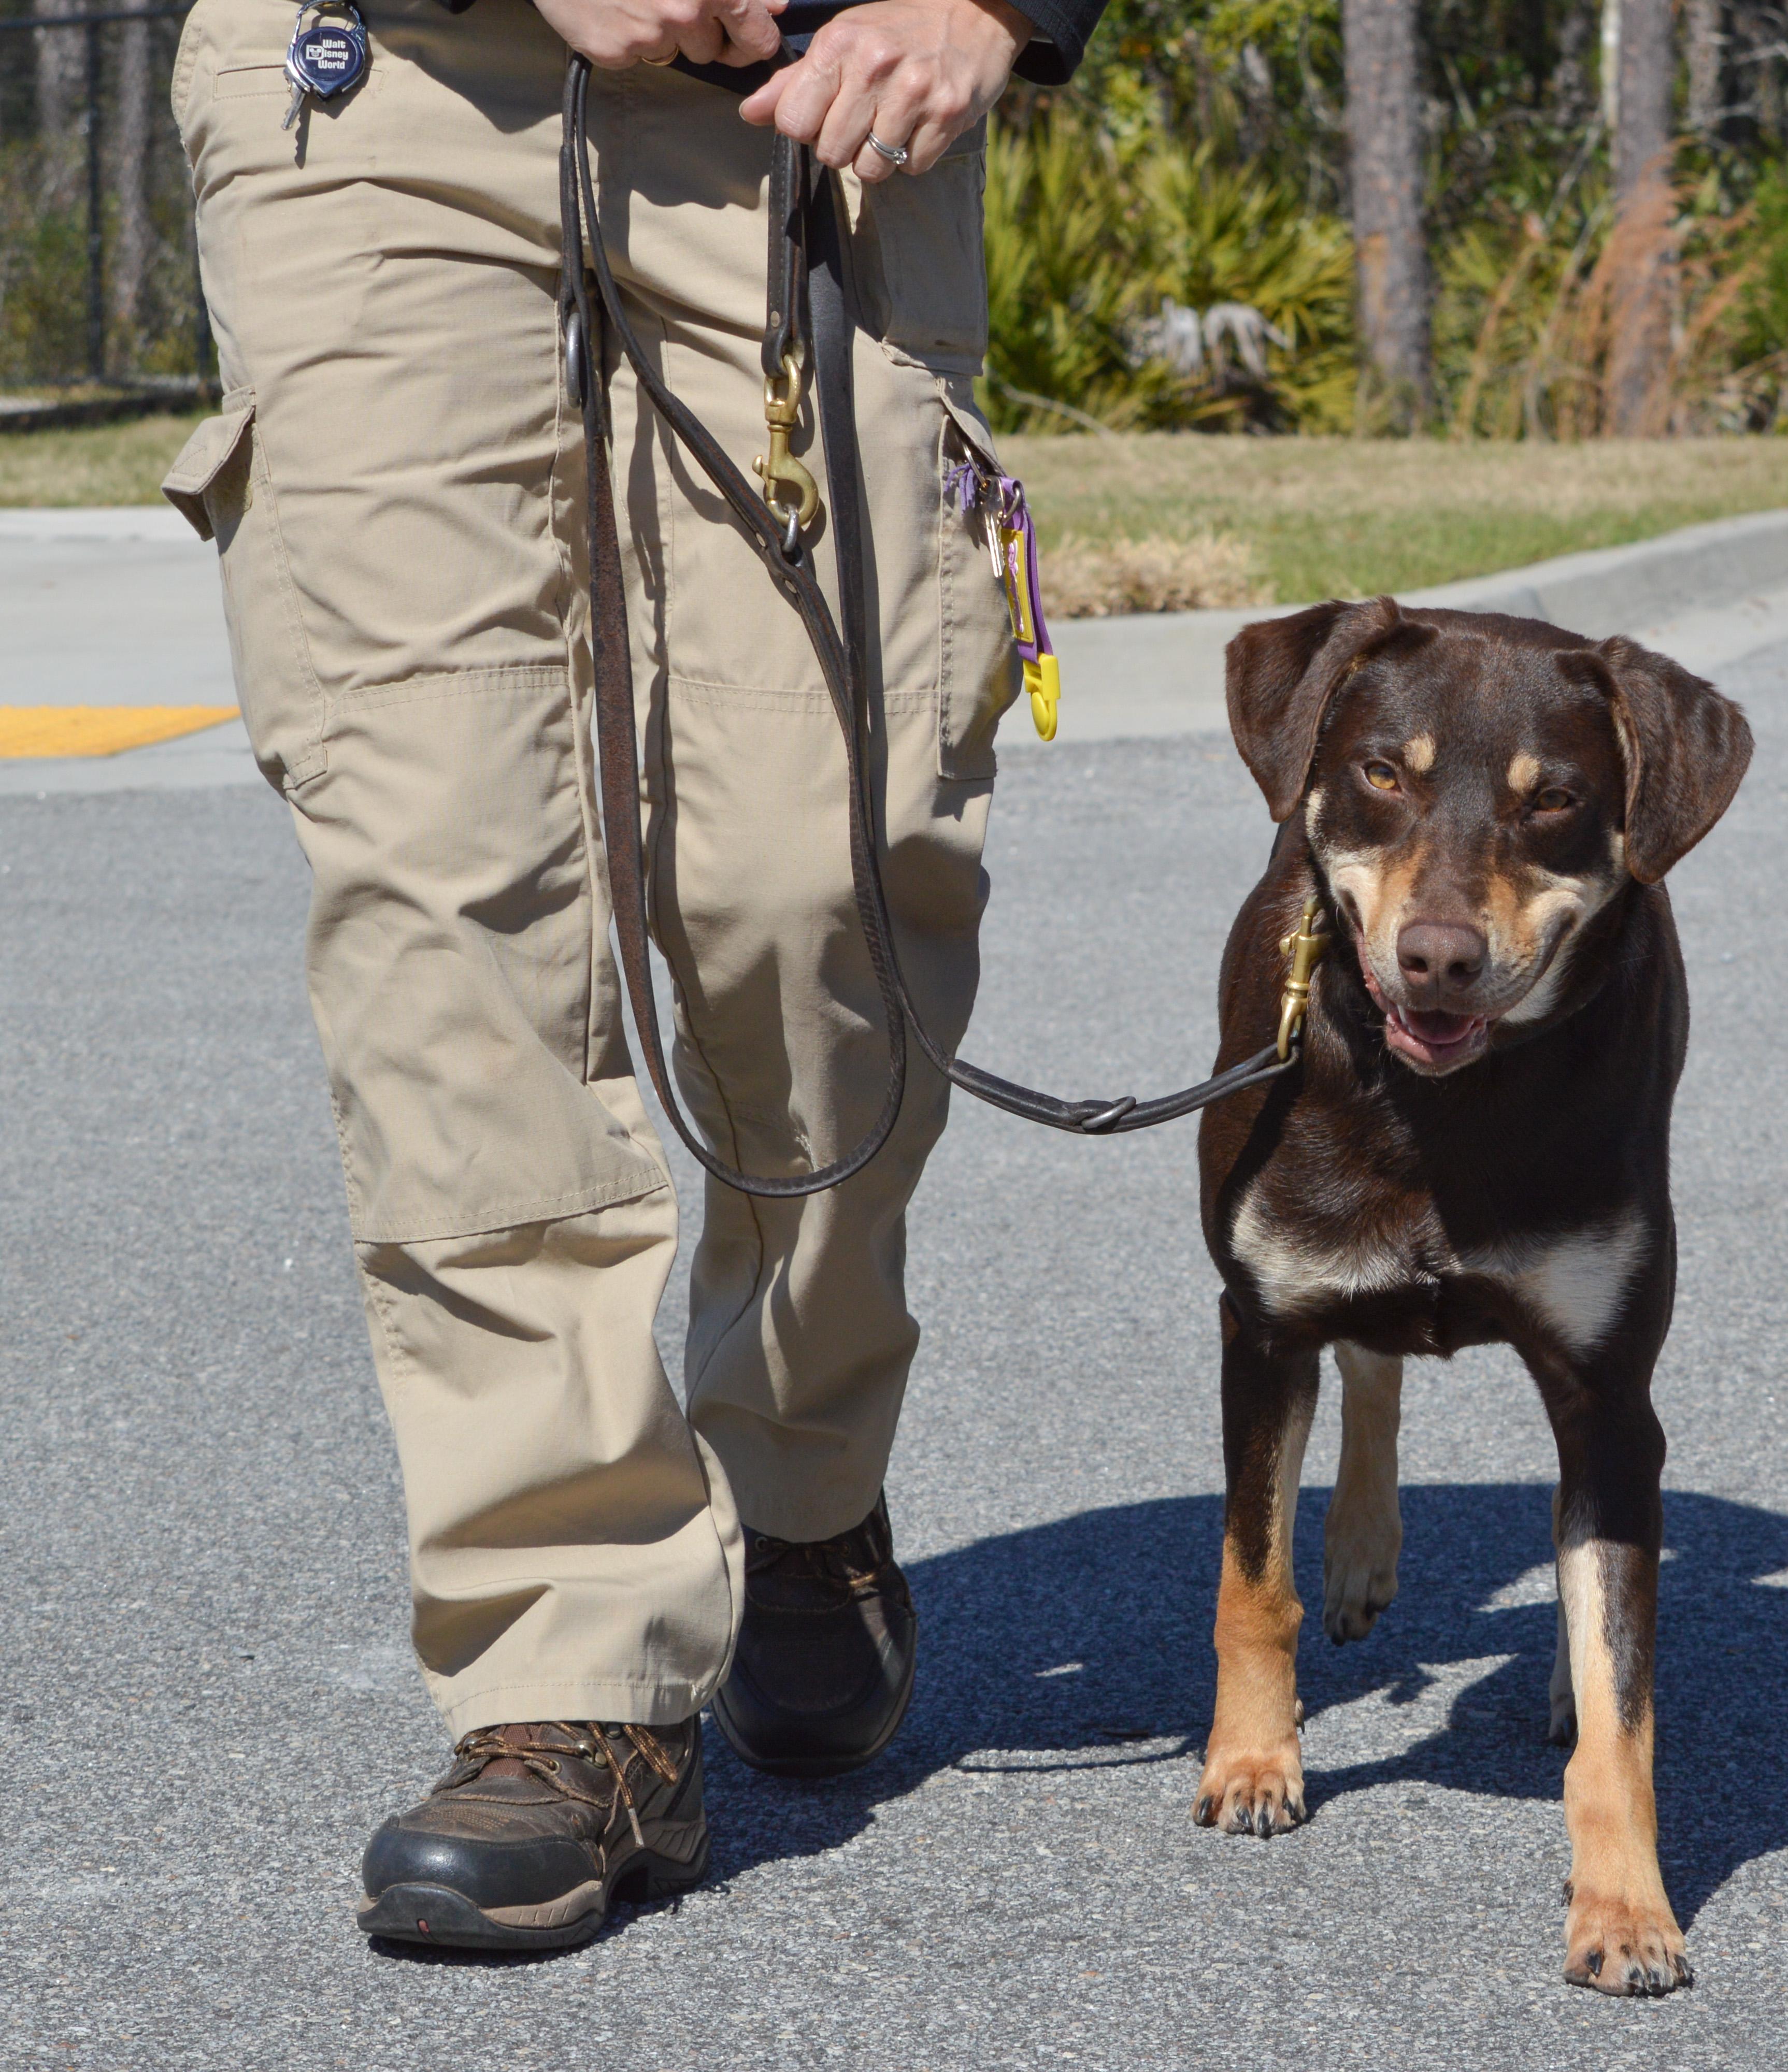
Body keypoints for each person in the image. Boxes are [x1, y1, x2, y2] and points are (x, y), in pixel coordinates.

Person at [162, 0, 1100, 1951]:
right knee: (447, 891)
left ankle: (802, 1471)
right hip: (382, 85)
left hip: (802, 106)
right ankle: (565, 1672)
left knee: (816, 878)